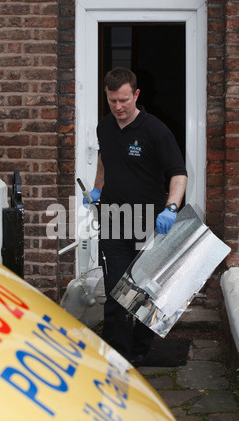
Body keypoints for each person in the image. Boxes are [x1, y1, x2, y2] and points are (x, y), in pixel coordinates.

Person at [87, 67, 188, 367]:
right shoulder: (104, 127)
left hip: (150, 222)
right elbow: (105, 159)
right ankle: (118, 355)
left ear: (136, 95)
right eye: (112, 101)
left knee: (146, 292)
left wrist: (171, 208)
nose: (118, 107)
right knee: (116, 292)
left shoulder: (156, 131)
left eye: (124, 100)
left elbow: (178, 174)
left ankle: (142, 349)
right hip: (114, 219)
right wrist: (96, 189)